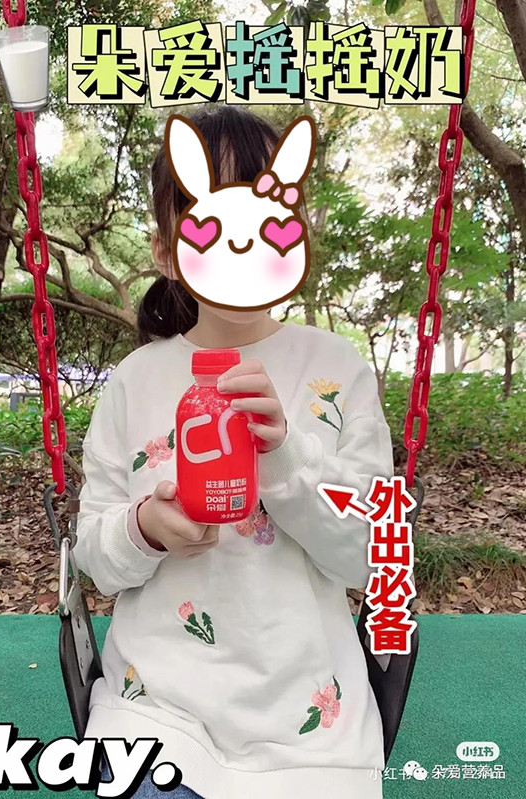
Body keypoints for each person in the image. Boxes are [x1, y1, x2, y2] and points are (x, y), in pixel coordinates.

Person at [73, 104, 394, 799]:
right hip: (157, 712)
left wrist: (284, 459)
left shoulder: (335, 371)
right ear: (167, 251)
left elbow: (374, 559)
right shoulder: (135, 382)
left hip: (310, 729)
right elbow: (94, 559)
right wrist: (143, 528)